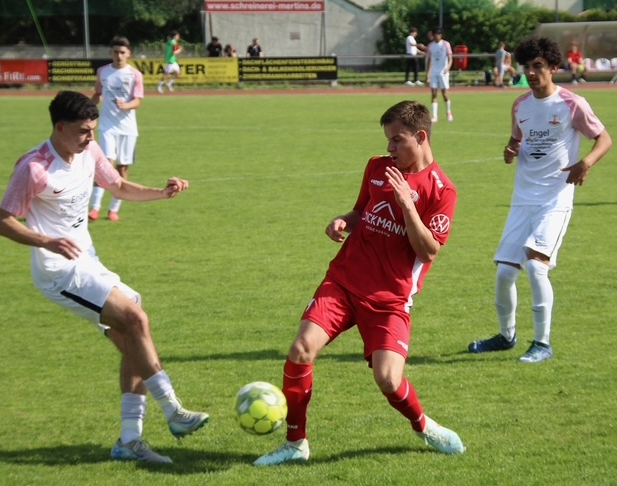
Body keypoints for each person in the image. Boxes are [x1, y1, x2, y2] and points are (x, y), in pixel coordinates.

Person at [0, 90, 210, 463]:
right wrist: (46, 240)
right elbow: (2, 222)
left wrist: (162, 193)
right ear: (60, 128)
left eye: (92, 129)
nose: (90, 137)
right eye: (83, 131)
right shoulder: (34, 168)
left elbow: (118, 187)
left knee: (133, 338)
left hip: (88, 261)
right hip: (58, 271)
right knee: (136, 318)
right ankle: (174, 410)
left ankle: (129, 441)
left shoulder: (90, 151)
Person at [253, 100, 464, 467]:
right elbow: (362, 211)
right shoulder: (378, 167)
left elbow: (428, 251)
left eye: (397, 140)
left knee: (388, 379)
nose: (390, 148)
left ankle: (423, 425)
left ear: (421, 137)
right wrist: (342, 221)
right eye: (388, 140)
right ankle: (295, 443)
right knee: (301, 349)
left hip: (390, 299)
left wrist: (407, 205)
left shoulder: (442, 190)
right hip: (344, 281)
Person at [468, 36, 612, 363]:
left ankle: (542, 343)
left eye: (539, 66)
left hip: (554, 200)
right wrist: (511, 149)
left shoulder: (572, 103)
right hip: (522, 200)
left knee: (536, 266)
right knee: (505, 273)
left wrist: (585, 163)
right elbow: (517, 139)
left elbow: (604, 139)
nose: (531, 73)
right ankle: (506, 337)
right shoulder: (520, 105)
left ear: (553, 68)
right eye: (527, 67)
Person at [88, 35, 143, 222]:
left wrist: (126, 105)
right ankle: (95, 208)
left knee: (122, 169)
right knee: (104, 165)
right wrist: (85, 107)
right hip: (107, 126)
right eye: (116, 52)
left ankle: (113, 209)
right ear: (110, 53)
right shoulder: (102, 71)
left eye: (122, 52)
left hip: (128, 128)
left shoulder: (135, 74)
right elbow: (97, 93)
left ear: (129, 54)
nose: (119, 55)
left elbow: (138, 101)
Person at [426, 27, 453, 122]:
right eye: (436, 34)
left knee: (444, 93)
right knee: (434, 94)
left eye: (439, 34)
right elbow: (430, 60)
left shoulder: (446, 44)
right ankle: (434, 116)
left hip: (443, 72)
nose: (437, 36)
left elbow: (450, 58)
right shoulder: (431, 46)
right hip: (434, 72)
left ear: (441, 35)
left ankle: (448, 112)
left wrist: (448, 68)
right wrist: (428, 75)